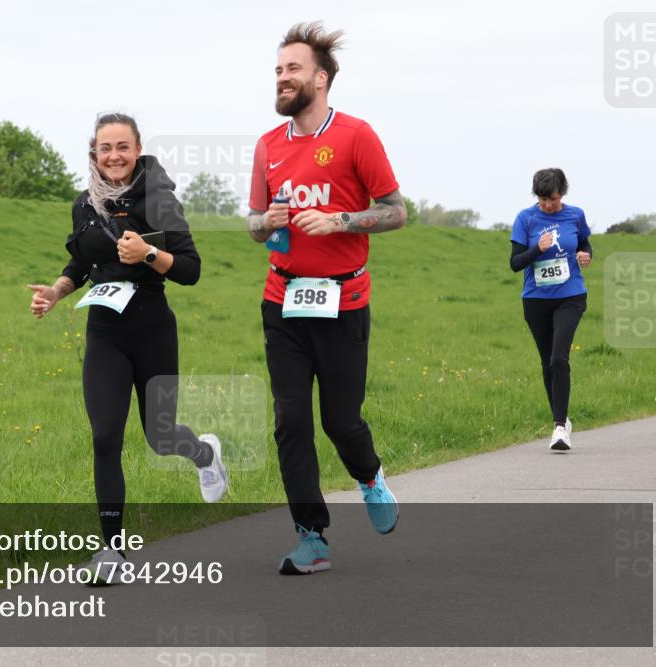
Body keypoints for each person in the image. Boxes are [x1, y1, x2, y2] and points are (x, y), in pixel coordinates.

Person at [27, 112, 229, 583]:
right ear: (94, 153)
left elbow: (191, 269)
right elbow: (81, 262)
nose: (114, 156)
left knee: (160, 437)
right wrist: (56, 291)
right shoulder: (85, 204)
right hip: (104, 332)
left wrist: (149, 254)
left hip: (153, 330)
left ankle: (204, 454)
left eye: (122, 147)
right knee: (105, 437)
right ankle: (112, 552)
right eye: (105, 148)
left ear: (137, 151)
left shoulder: (159, 201)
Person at [246, 22, 405, 575]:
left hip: (343, 302)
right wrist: (265, 221)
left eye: (292, 68)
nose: (281, 77)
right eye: (278, 70)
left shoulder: (357, 136)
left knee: (340, 421)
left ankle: (369, 477)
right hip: (283, 300)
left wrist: (339, 220)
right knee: (290, 420)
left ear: (321, 77)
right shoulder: (268, 145)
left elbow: (396, 211)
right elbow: (253, 224)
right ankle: (311, 536)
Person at [509, 168, 592, 452]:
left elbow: (584, 242)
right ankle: (562, 419)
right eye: (543, 199)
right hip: (536, 300)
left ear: (562, 194)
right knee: (547, 363)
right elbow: (515, 263)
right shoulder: (525, 219)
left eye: (553, 199)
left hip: (571, 296)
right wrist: (537, 249)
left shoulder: (575, 215)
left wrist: (586, 254)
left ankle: (558, 428)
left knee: (559, 358)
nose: (548, 204)